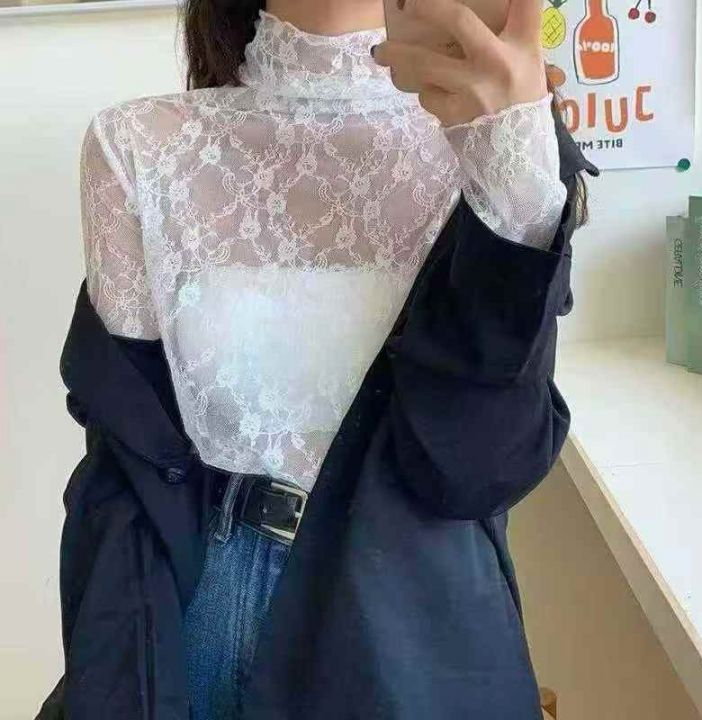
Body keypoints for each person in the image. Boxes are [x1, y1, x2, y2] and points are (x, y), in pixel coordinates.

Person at [40, 0, 597, 718]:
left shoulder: (501, 139)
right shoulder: (139, 144)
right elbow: (128, 469)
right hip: (204, 606)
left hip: (411, 620)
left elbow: (479, 470)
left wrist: (515, 168)